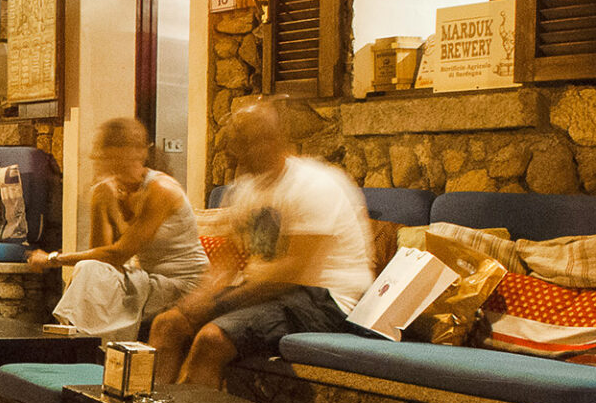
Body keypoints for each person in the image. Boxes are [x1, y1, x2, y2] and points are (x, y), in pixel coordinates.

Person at [147, 101, 373, 388]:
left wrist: (220, 303)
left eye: (247, 141)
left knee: (212, 339)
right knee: (168, 324)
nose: (237, 151)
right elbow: (227, 261)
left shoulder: (314, 184)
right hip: (272, 294)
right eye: (236, 141)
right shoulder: (245, 189)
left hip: (325, 298)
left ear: (275, 139)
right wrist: (199, 298)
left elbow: (292, 271)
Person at [29, 117, 208, 341]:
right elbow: (102, 258)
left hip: (183, 285)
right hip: (151, 280)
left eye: (105, 151)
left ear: (130, 152)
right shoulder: (111, 190)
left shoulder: (161, 189)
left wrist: (52, 259)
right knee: (89, 270)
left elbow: (118, 254)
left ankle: (81, 346)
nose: (96, 157)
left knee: (88, 270)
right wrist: (102, 202)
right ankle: (83, 347)